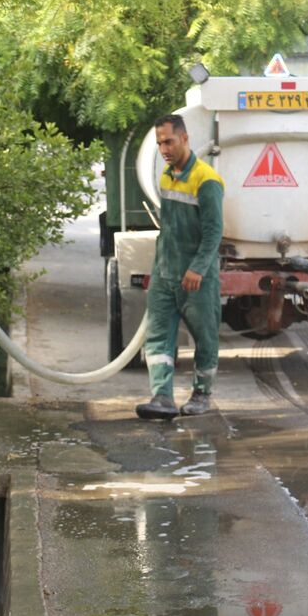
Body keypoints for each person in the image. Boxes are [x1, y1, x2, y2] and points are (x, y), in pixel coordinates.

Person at [135, 114, 225, 420]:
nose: (164, 148)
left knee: (205, 335)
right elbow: (168, 228)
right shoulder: (166, 174)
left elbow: (214, 232)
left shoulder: (206, 180)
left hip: (197, 277)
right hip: (165, 273)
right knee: (158, 336)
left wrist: (198, 268)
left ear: (185, 138)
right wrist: (159, 266)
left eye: (169, 141)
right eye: (160, 143)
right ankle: (162, 397)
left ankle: (202, 395)